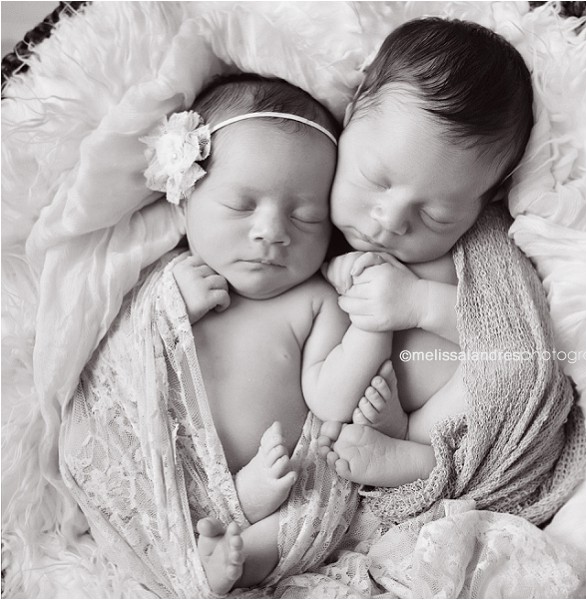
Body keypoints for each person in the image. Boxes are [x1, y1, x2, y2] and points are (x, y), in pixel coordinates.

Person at [143, 74, 391, 593]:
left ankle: (244, 555)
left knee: (323, 501)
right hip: (166, 477)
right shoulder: (172, 278)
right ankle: (218, 525)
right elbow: (123, 368)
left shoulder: (316, 299)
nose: (272, 231)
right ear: (184, 201)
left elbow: (330, 396)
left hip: (281, 487)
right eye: (241, 205)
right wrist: (168, 309)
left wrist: (374, 319)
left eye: (305, 217)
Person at [317, 17, 541, 488]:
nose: (391, 221)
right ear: (351, 111)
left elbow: (516, 337)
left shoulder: (480, 251)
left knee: (511, 371)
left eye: (437, 215)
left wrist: (417, 301)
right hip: (348, 406)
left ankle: (424, 460)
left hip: (451, 420)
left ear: (489, 200)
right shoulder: (311, 200)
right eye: (375, 181)